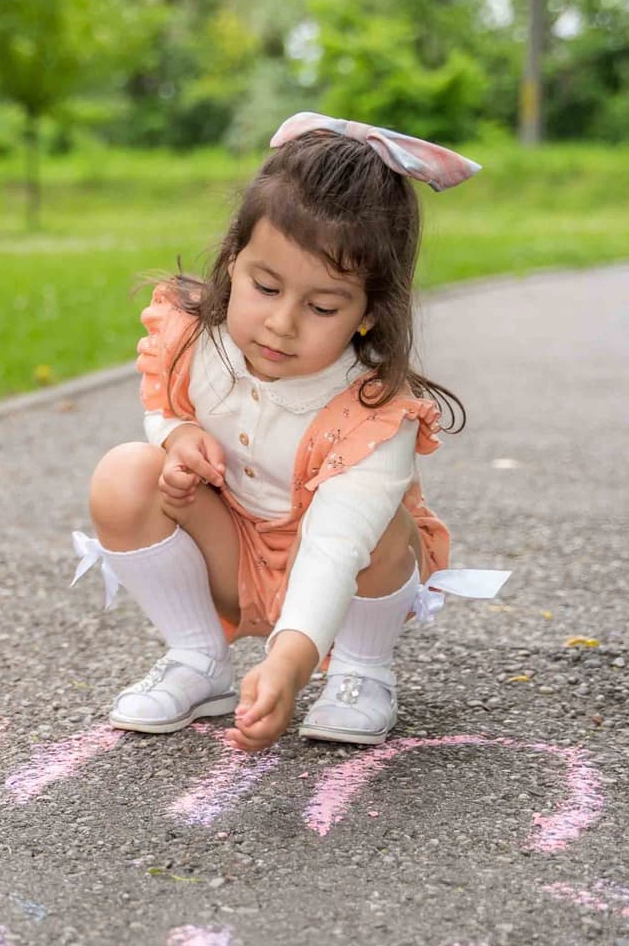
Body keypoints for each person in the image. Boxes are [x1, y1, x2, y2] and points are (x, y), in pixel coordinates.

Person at [71, 111, 509, 752]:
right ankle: (199, 660)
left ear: (368, 312)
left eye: (323, 306)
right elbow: (165, 403)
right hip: (233, 555)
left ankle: (360, 672)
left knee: (388, 527)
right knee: (125, 473)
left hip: (342, 579)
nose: (280, 323)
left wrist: (290, 661)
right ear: (232, 262)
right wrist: (175, 437)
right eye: (265, 285)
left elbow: (336, 545)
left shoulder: (371, 412)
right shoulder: (196, 341)